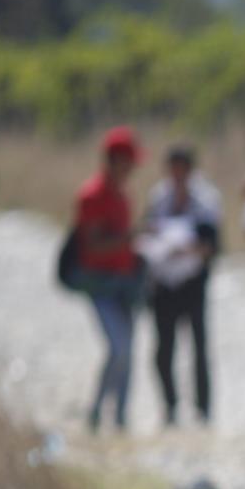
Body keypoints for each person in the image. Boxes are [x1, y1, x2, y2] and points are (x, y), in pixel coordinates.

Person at [73, 127, 146, 433]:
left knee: (128, 350)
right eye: (128, 162)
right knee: (118, 348)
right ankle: (95, 410)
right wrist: (129, 238)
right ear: (115, 160)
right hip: (100, 285)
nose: (132, 169)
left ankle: (119, 417)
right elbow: (92, 244)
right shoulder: (92, 196)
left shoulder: (122, 195)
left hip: (125, 284)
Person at [144, 144, 221, 427]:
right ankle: (169, 405)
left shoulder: (206, 200)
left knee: (198, 346)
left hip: (192, 282)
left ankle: (203, 407)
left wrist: (188, 250)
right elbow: (147, 232)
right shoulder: (158, 197)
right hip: (163, 282)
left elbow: (213, 245)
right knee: (164, 349)